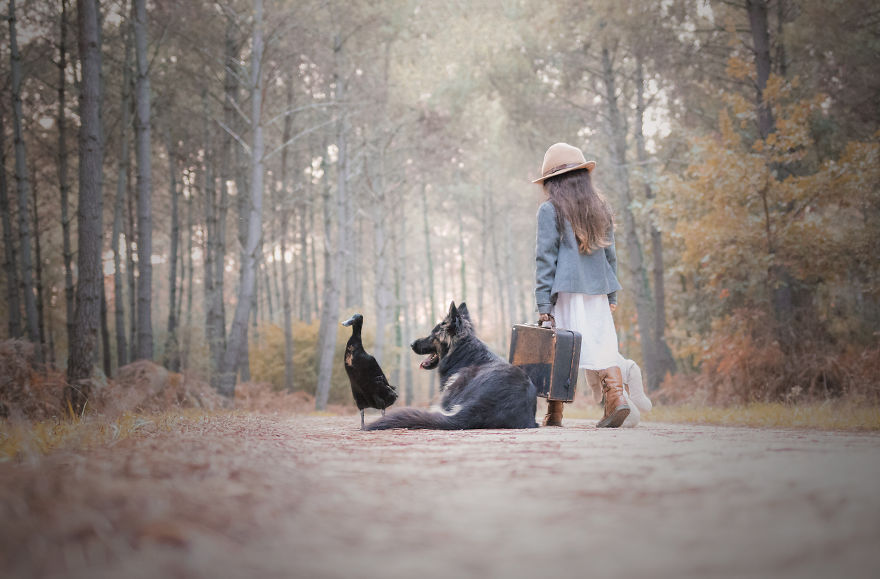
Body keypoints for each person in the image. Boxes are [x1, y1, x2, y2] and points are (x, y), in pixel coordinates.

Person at [533, 142, 629, 428]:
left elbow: (545, 258)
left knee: (561, 349)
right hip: (598, 290)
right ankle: (616, 397)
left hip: (566, 291)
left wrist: (543, 302)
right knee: (601, 343)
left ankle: (555, 413)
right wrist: (611, 292)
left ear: (553, 182)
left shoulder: (549, 210)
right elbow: (610, 255)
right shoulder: (600, 208)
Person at [587, 355, 653, 427]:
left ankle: (631, 418)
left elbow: (593, 382)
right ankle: (639, 398)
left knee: (619, 395)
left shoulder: (590, 359)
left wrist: (596, 393)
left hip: (614, 380)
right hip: (630, 367)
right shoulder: (608, 349)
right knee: (634, 397)